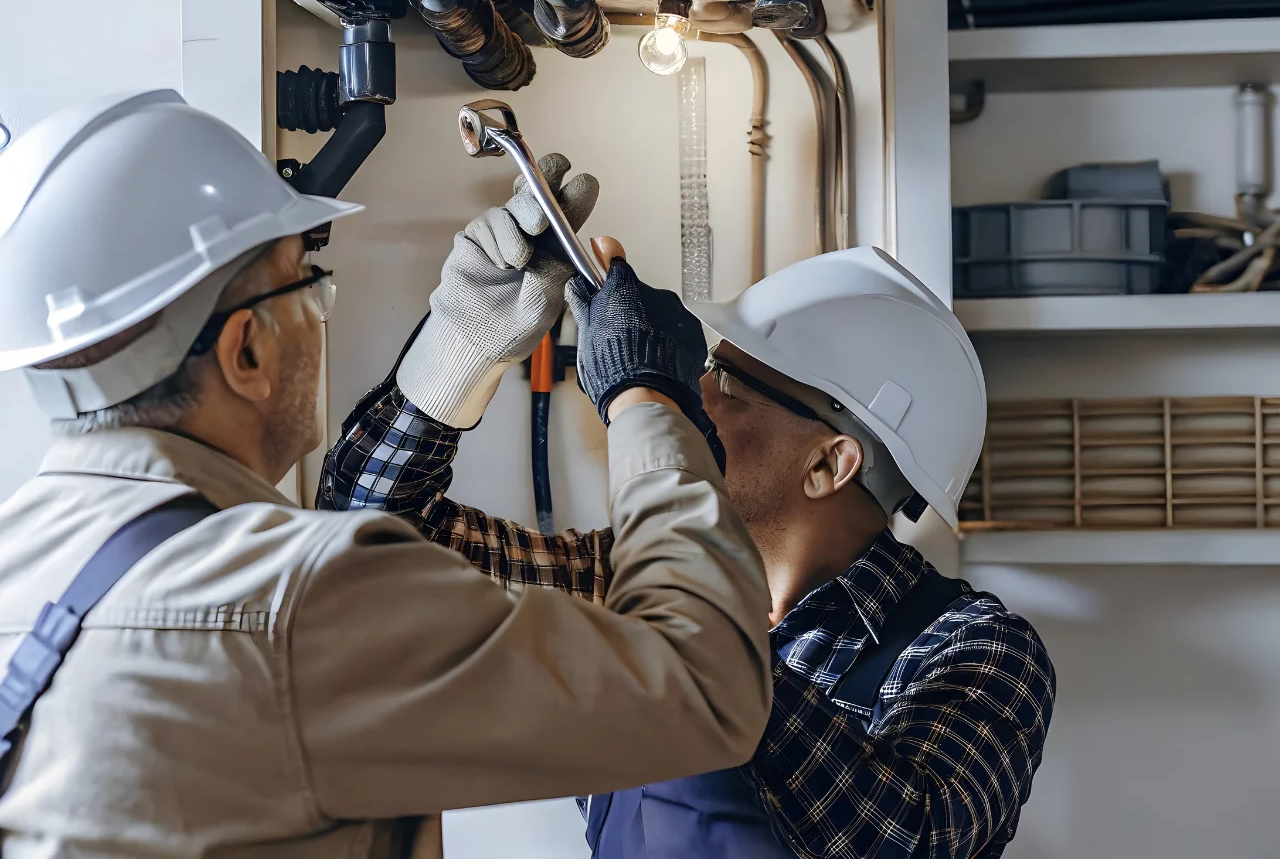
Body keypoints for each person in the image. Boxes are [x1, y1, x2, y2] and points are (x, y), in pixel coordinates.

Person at [0, 90, 774, 856]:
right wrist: (648, 395)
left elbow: (363, 530)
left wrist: (459, 352)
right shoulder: (293, 601)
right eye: (310, 282)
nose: (320, 310)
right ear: (245, 351)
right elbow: (702, 691)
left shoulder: (23, 566)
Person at [323, 246, 1057, 858]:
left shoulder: (977, 649)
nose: (693, 394)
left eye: (728, 385)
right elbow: (361, 558)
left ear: (830, 465)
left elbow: (907, 842)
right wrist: (459, 352)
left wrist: (646, 406)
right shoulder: (624, 579)